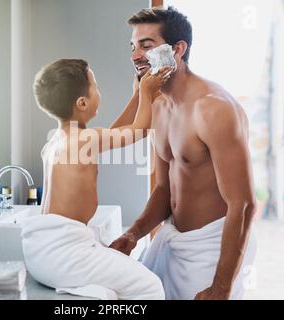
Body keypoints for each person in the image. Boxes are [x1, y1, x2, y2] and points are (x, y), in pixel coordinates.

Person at [110, 6, 257, 300]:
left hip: (211, 253)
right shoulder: (159, 105)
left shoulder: (214, 109)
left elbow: (243, 205)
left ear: (178, 49)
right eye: (133, 46)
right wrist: (133, 234)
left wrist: (221, 288)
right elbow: (164, 189)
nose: (135, 56)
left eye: (146, 46)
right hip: (173, 242)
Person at [22, 58, 172, 299]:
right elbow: (140, 130)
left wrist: (136, 97)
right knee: (150, 287)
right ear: (82, 102)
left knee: (112, 289)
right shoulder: (85, 139)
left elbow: (114, 133)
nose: (99, 92)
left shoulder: (57, 141)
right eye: (96, 87)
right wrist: (147, 91)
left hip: (41, 252)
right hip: (65, 253)